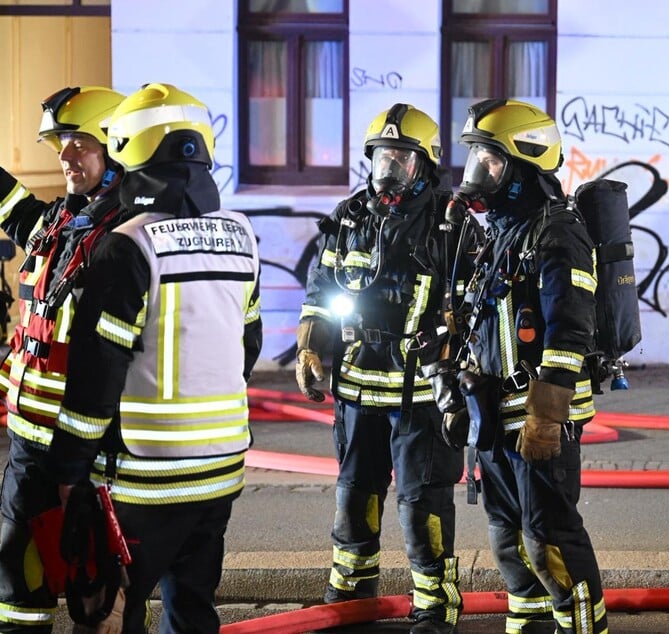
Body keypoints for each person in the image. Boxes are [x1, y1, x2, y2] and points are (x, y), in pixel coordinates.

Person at [47, 82, 263, 634]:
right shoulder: (242, 237)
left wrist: (68, 470)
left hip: (145, 478)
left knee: (111, 613)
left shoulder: (128, 246)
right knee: (193, 610)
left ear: (129, 148)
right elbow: (249, 345)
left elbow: (96, 376)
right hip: (221, 470)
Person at [295, 103, 478, 634]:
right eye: (382, 156)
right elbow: (320, 292)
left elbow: (476, 307)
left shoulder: (452, 225)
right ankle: (350, 596)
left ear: (425, 164)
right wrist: (309, 347)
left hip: (421, 394)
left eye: (401, 157)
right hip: (357, 388)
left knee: (422, 505)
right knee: (355, 495)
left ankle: (435, 607)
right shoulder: (349, 218)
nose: (389, 167)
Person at [452, 99, 608, 633]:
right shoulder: (502, 232)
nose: (478, 173)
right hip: (496, 418)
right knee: (509, 541)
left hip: (539, 421)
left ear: (524, 166)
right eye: (475, 159)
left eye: (490, 161)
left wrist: (547, 414)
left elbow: (570, 328)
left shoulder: (557, 231)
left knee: (549, 541)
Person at [0, 85, 128, 633]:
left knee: (95, 579)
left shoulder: (125, 236)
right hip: (28, 435)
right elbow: (13, 208)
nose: (65, 155)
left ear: (115, 146)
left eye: (79, 142)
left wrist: (87, 453)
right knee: (17, 567)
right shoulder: (59, 219)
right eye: (59, 143)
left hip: (87, 442)